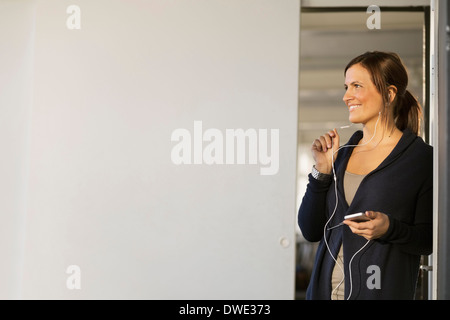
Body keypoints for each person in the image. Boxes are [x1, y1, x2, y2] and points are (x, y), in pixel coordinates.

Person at [297, 51, 433, 300]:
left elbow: (429, 240)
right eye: (346, 86)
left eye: (357, 86)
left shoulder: (421, 159)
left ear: (389, 94)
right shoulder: (342, 154)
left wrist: (390, 229)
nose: (346, 96)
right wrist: (322, 171)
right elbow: (310, 230)